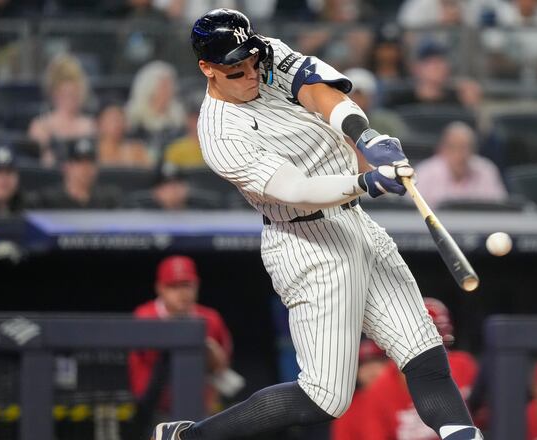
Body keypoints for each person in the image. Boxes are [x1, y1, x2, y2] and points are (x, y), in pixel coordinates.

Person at [151, 8, 483, 440]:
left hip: (354, 224)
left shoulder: (264, 53)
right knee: (325, 397)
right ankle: (189, 437)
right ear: (207, 69)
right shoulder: (219, 135)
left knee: (425, 351)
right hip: (305, 242)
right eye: (236, 69)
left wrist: (367, 137)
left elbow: (317, 91)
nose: (251, 73)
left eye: (252, 61)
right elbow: (295, 189)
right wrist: (366, 180)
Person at [339, 298, 479, 440]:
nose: (423, 340)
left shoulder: (463, 365)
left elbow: (490, 417)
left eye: (432, 332)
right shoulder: (380, 388)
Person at [128, 255, 234, 414]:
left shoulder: (211, 318)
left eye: (187, 285)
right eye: (173, 286)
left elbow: (221, 367)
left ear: (196, 285)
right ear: (160, 288)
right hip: (152, 410)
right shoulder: (144, 316)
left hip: (197, 408)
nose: (182, 293)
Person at [414, 122, 507, 208]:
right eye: (453, 148)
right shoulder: (424, 172)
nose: (459, 155)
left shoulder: (486, 171)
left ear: (473, 151)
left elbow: (500, 209)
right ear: (442, 149)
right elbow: (410, 213)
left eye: (465, 148)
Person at [28, 54, 96, 167]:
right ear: (54, 94)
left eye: (74, 94)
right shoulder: (40, 126)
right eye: (65, 95)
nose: (70, 99)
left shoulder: (90, 125)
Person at [385, 40, 481, 111]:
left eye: (442, 61)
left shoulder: (457, 98)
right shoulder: (401, 98)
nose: (440, 67)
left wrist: (471, 106)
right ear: (416, 68)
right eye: (432, 62)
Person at [482, 0, 537, 79]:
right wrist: (517, 68)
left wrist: (533, 68)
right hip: (508, 76)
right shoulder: (502, 13)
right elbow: (494, 48)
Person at [125, 61, 186, 161]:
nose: (169, 91)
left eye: (170, 85)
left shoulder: (179, 120)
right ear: (149, 88)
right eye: (163, 86)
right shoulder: (134, 121)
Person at [331, 338, 390, 440]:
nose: (371, 369)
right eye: (363, 364)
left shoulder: (403, 394)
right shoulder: (346, 408)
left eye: (377, 361)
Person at [37, 138, 121, 209]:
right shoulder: (48, 200)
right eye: (79, 162)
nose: (85, 168)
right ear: (66, 167)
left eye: (90, 162)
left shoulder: (108, 200)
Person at [343, 68, 407, 139]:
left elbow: (403, 145)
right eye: (352, 95)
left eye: (361, 95)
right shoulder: (334, 125)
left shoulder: (387, 122)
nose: (356, 100)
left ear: (372, 97)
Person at [96, 102, 150, 168]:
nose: (117, 125)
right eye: (112, 120)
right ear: (100, 124)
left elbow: (148, 173)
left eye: (120, 119)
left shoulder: (137, 150)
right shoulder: (94, 151)